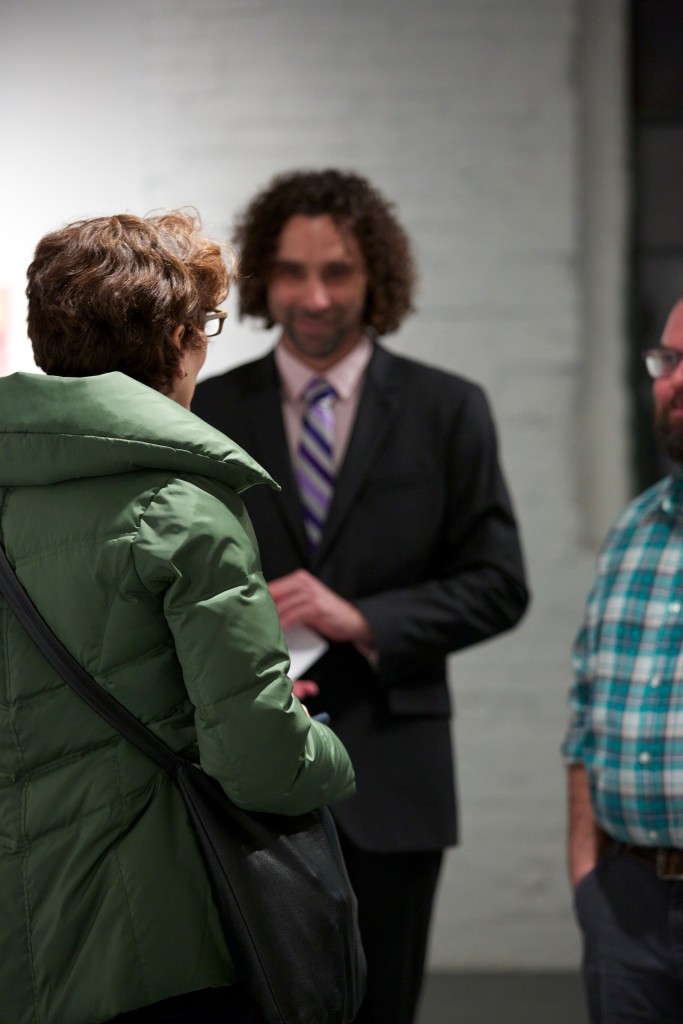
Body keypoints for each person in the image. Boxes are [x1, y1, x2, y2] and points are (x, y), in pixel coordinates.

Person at [0, 210, 355, 1024]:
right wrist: (329, 753)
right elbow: (261, 762)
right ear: (179, 338)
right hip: (151, 937)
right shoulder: (180, 508)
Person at [192, 168, 530, 1024]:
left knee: (382, 1007)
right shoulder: (208, 412)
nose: (314, 296)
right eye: (294, 272)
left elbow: (498, 585)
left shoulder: (448, 409)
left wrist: (366, 620)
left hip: (395, 773)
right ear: (265, 278)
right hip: (244, 775)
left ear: (375, 276)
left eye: (337, 271)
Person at [563, 298, 683, 1023]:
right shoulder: (633, 529)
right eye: (668, 361)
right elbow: (585, 718)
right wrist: (587, 879)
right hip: (627, 907)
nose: (675, 381)